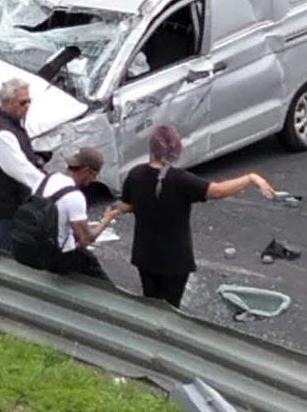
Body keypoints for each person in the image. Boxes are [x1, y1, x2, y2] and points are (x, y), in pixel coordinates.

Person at [112, 124, 276, 308]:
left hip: (145, 256)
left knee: (151, 302)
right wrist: (250, 178)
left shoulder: (135, 174)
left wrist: (116, 210)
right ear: (176, 150)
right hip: (175, 260)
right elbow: (217, 191)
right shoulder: (181, 180)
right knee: (172, 308)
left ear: (152, 148)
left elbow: (127, 205)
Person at [0, 78, 44, 252]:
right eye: (23, 102)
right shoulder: (2, 135)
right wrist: (50, 186)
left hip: (13, 210)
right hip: (5, 214)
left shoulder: (13, 126)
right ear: (7, 103)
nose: (27, 106)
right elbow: (22, 170)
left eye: (29, 101)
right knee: (7, 260)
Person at [43, 147, 119, 281]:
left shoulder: (50, 179)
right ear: (87, 171)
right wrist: (107, 219)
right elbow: (86, 239)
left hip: (38, 247)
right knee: (102, 282)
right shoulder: (74, 197)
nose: (94, 180)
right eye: (95, 175)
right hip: (59, 256)